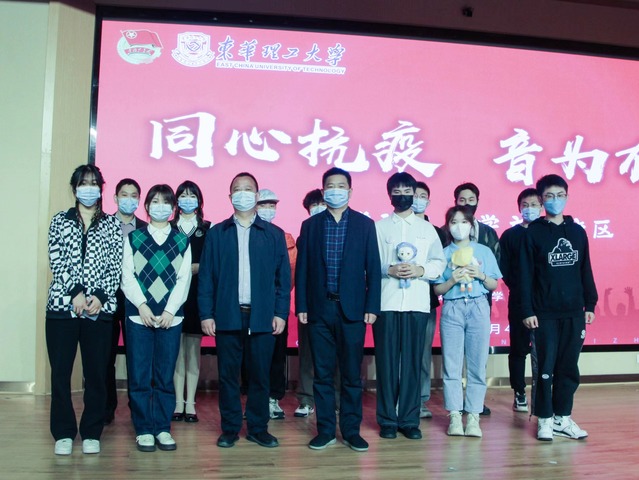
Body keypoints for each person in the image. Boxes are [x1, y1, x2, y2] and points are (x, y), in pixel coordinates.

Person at [199, 172, 291, 449]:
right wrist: (206, 314)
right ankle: (229, 429)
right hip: (227, 314)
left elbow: (283, 280)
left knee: (260, 375)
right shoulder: (217, 234)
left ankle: (258, 428)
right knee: (228, 376)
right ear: (230, 197)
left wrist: (280, 313)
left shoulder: (273, 234)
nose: (243, 194)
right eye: (237, 189)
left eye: (248, 189)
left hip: (262, 316)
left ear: (257, 195)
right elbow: (207, 277)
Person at [296, 167, 381, 452]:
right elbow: (303, 269)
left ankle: (351, 431)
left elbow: (373, 268)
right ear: (323, 191)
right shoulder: (311, 225)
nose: (335, 190)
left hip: (352, 311)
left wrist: (372, 305)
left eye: (341, 186)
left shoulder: (364, 225)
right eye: (330, 186)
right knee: (321, 374)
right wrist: (302, 305)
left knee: (351, 375)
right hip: (319, 309)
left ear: (350, 191)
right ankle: (325, 431)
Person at [46, 164, 123, 455]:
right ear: (74, 188)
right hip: (62, 307)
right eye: (83, 183)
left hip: (98, 309)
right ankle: (63, 432)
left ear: (101, 189)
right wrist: (75, 292)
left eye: (93, 183)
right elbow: (56, 259)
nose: (88, 189)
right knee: (61, 373)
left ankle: (91, 431)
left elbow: (115, 265)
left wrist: (100, 296)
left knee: (96, 373)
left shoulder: (112, 224)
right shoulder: (60, 220)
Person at [520, 174, 597, 441]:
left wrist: (590, 303)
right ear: (542, 200)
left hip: (574, 312)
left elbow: (585, 269)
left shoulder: (577, 232)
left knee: (568, 368)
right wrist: (527, 310)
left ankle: (562, 418)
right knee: (545, 368)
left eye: (560, 195)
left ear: (567, 196)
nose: (555, 200)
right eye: (549, 196)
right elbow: (525, 275)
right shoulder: (533, 233)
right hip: (544, 314)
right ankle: (544, 418)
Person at [121, 184, 192, 452]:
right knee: (140, 376)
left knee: (164, 376)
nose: (160, 206)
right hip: (139, 317)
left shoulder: (182, 240)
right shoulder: (134, 238)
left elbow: (183, 279)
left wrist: (170, 310)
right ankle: (143, 429)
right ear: (147, 206)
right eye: (155, 201)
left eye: (166, 202)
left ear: (173, 208)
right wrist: (141, 305)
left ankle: (162, 427)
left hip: (170, 319)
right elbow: (127, 276)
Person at [374, 173, 446, 440]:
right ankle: (387, 420)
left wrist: (420, 270)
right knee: (387, 364)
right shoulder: (379, 228)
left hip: (417, 304)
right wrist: (388, 269)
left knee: (414, 363)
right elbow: (370, 263)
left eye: (407, 191)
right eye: (397, 190)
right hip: (387, 302)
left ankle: (409, 419)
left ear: (414, 195)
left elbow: (439, 262)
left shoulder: (427, 229)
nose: (402, 195)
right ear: (389, 194)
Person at [434, 205, 501, 438]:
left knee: (477, 364)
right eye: (454, 222)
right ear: (448, 226)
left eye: (464, 222)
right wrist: (452, 280)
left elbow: (494, 284)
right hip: (452, 307)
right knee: (451, 365)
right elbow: (437, 290)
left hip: (478, 306)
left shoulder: (483, 251)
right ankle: (454, 415)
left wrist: (480, 275)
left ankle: (473, 416)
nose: (459, 226)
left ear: (471, 225)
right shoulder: (443, 253)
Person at [453, 182, 500, 416]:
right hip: (454, 300)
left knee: (477, 355)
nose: (467, 204)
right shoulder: (448, 231)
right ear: (455, 202)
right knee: (454, 356)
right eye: (462, 200)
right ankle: (455, 403)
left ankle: (475, 403)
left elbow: (495, 270)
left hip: (481, 299)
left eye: (471, 200)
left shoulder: (489, 233)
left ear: (478, 202)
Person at [105, 178, 147, 425]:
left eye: (133, 196)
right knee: (106, 356)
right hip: (107, 298)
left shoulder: (145, 228)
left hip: (136, 299)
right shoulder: (104, 225)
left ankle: (137, 407)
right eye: (124, 194)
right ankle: (107, 408)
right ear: (115, 198)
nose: (128, 200)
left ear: (139, 200)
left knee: (136, 356)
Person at [499, 187, 543, 413]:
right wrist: (521, 289)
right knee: (518, 348)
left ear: (541, 207)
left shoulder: (548, 233)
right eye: (525, 205)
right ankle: (519, 392)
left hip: (545, 301)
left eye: (534, 204)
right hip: (519, 301)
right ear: (519, 208)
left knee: (545, 350)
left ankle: (542, 393)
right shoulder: (510, 235)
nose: (529, 208)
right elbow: (504, 268)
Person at [255, 188, 297, 420]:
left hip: (275, 306)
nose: (268, 209)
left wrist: (279, 303)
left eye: (272, 205)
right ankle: (253, 399)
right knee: (251, 356)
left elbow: (288, 275)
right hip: (249, 306)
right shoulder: (245, 233)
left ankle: (273, 399)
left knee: (276, 354)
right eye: (263, 205)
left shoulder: (284, 237)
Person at [171, 181, 210, 423]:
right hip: (173, 295)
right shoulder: (169, 227)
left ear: (199, 200)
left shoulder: (208, 229)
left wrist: (198, 267)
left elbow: (213, 262)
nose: (187, 200)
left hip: (197, 295)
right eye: (183, 196)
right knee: (176, 351)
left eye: (192, 195)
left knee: (193, 351)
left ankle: (191, 404)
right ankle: (177, 403)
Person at [293, 189, 330, 418]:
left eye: (321, 204)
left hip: (336, 303)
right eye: (313, 205)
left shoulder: (343, 231)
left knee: (335, 355)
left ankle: (334, 400)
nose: (317, 208)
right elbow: (301, 274)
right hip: (310, 303)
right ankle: (306, 399)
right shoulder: (304, 234)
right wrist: (301, 305)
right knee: (307, 353)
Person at [412, 181, 447, 419]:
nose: (417, 199)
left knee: (423, 352)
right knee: (400, 354)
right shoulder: (394, 228)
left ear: (428, 201)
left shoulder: (437, 232)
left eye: (422, 196)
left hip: (427, 301)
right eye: (414, 195)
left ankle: (421, 399)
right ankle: (400, 398)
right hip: (399, 300)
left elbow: (441, 266)